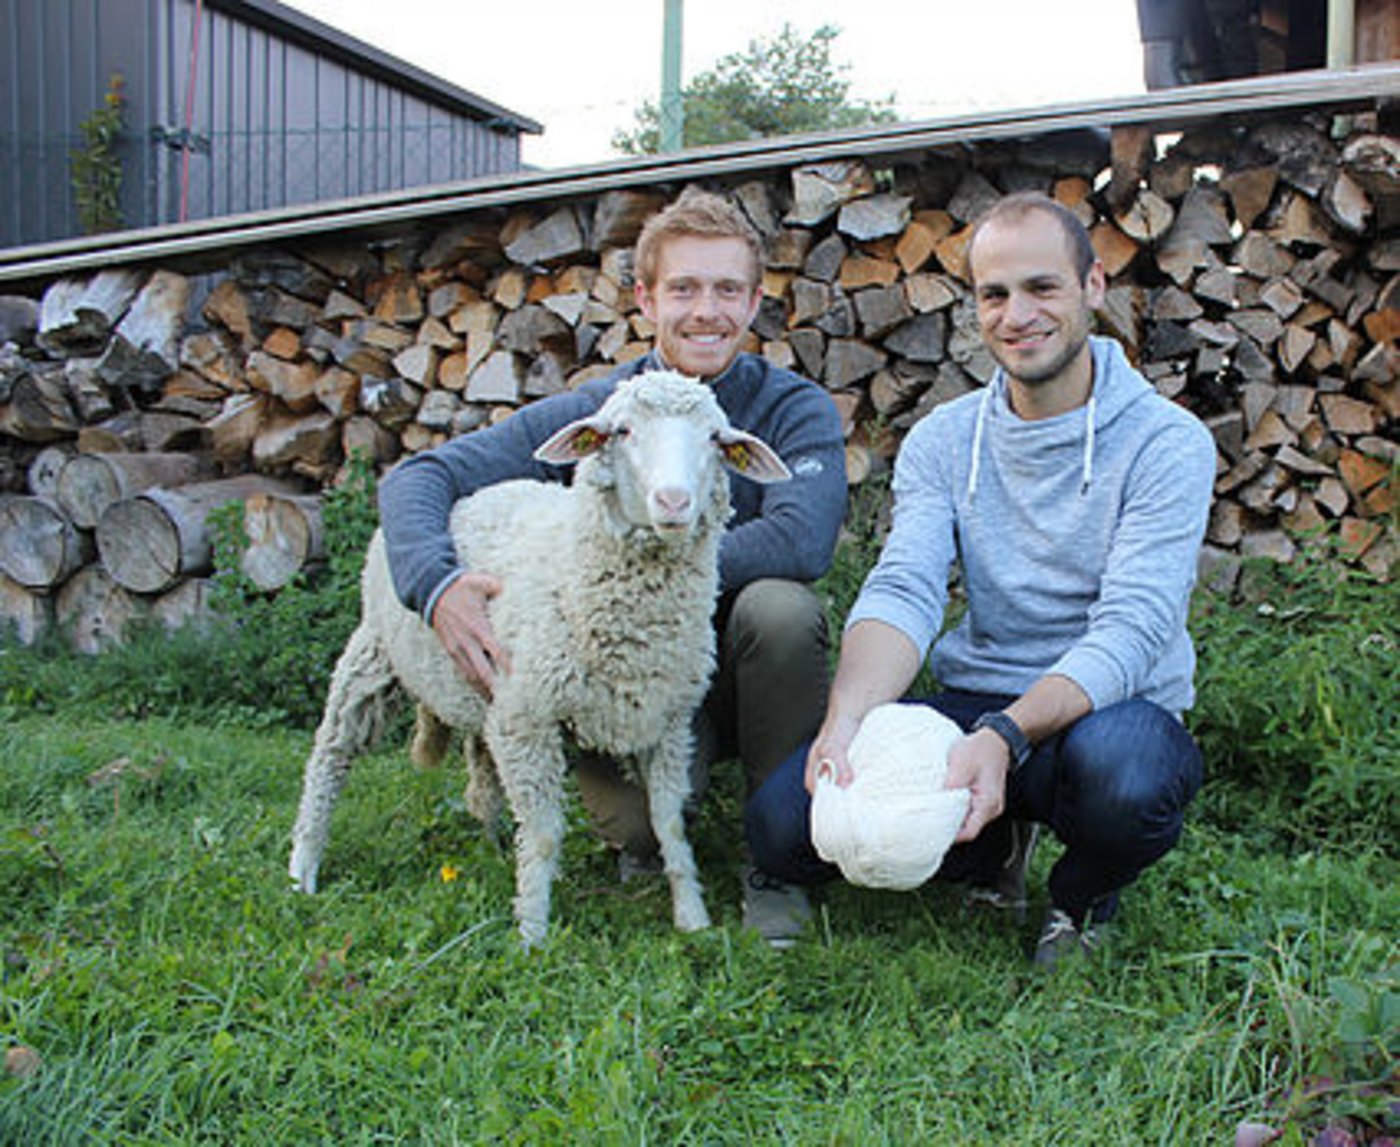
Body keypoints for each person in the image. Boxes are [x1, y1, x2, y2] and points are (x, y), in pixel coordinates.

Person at [745, 191, 1217, 967]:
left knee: (1130, 780)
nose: (1016, 315)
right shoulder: (944, 439)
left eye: (1042, 287)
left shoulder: (1168, 443)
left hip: (1104, 712)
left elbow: (1134, 631)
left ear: (1094, 285)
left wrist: (1007, 734)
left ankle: (1080, 898)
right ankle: (990, 846)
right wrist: (849, 718)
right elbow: (905, 586)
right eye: (994, 294)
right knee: (779, 826)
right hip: (975, 702)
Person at [378, 186, 848, 948]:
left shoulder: (793, 409)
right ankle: (649, 830)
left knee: (783, 608)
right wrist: (435, 586)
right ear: (645, 299)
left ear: (756, 300)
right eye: (683, 289)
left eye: (727, 290)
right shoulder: (604, 411)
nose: (706, 311)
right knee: (634, 827)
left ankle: (778, 857)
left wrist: (651, 572)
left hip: (739, 668)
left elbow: (802, 539)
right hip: (614, 673)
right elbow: (420, 477)